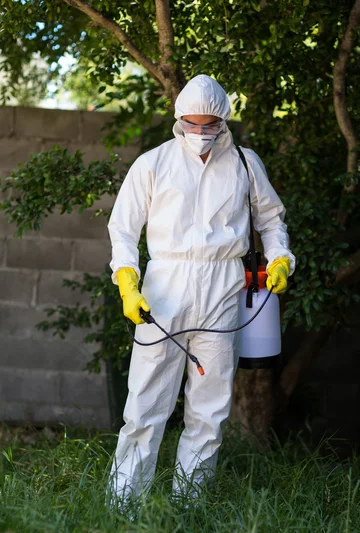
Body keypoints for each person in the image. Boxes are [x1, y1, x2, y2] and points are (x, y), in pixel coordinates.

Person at [107, 74, 295, 505]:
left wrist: (280, 257)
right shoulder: (153, 164)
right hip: (164, 290)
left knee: (209, 413)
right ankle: (122, 507)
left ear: (224, 122)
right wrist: (127, 284)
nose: (200, 133)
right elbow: (122, 231)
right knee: (145, 407)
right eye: (192, 124)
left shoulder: (245, 164)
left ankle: (187, 508)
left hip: (224, 289)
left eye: (209, 125)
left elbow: (270, 219)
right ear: (178, 120)